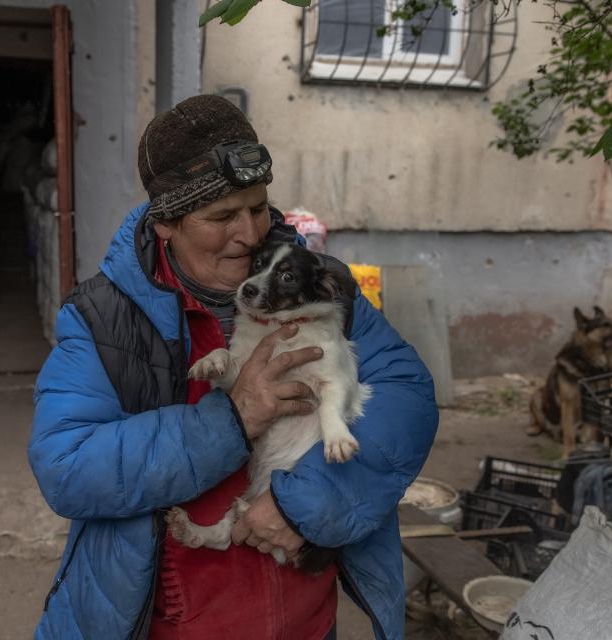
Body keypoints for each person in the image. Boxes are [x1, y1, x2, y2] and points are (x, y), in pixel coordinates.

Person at [28, 95, 438, 640]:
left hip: (307, 622)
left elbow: (406, 393)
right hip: (176, 625)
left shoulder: (320, 284)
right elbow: (67, 466)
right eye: (221, 216)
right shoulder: (104, 315)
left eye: (258, 206)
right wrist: (231, 419)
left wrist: (304, 507)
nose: (250, 234)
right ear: (167, 223)